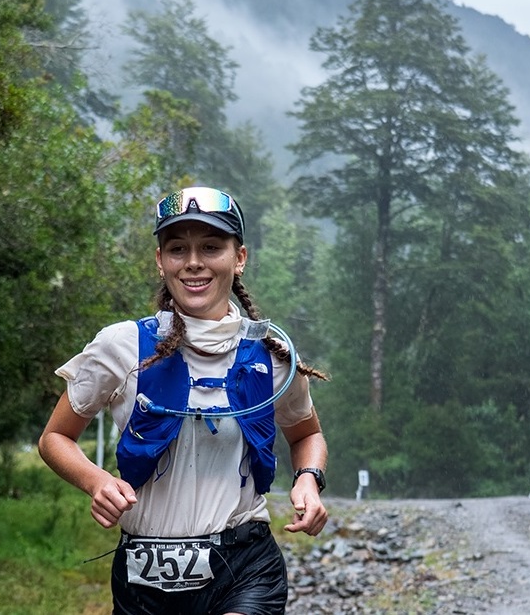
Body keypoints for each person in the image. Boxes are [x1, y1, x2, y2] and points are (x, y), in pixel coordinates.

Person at [38, 186, 329, 615]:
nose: (193, 262)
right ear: (161, 261)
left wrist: (308, 479)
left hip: (245, 566)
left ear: (239, 257)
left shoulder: (271, 355)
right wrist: (95, 481)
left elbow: (307, 435)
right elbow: (55, 438)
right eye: (178, 249)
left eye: (211, 247)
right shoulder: (121, 346)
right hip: (143, 576)